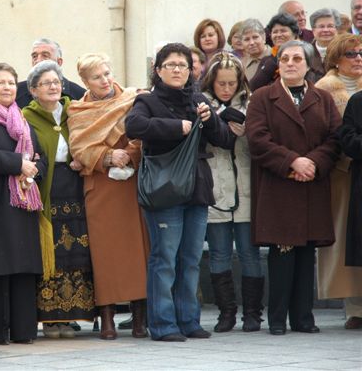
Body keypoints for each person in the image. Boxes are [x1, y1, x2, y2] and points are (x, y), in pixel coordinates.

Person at [125, 43, 232, 342]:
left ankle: (188, 321)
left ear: (191, 70)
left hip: (197, 187)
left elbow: (225, 139)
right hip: (165, 189)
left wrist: (211, 120)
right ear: (158, 71)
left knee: (191, 258)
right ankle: (162, 325)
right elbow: (133, 126)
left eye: (182, 65)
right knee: (164, 259)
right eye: (170, 65)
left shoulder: (199, 99)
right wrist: (176, 127)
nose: (177, 70)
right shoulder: (147, 100)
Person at [246, 40, 341, 335]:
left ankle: (303, 318)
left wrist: (312, 162)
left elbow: (335, 138)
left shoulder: (323, 98)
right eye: (284, 58)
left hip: (311, 184)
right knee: (282, 253)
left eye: (297, 58)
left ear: (308, 64)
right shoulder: (262, 97)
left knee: (306, 253)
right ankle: (277, 319)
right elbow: (257, 139)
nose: (290, 63)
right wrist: (292, 162)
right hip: (279, 186)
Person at [67, 53, 149, 340]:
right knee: (104, 256)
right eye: (96, 77)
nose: (104, 80)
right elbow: (78, 148)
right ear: (84, 81)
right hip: (99, 186)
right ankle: (107, 318)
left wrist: (129, 153)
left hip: (130, 185)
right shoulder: (78, 109)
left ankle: (139, 318)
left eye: (106, 73)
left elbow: (142, 132)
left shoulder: (133, 99)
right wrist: (106, 156)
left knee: (137, 251)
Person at [0, 63, 46, 345]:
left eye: (11, 83)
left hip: (24, 201)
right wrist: (19, 164)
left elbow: (39, 156)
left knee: (24, 267)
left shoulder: (22, 120)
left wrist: (33, 169)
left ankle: (24, 330)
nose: (7, 87)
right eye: (0, 83)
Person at [22, 60, 96, 338]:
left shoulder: (74, 111)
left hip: (75, 188)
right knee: (52, 252)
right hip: (47, 189)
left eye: (56, 82)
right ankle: (51, 320)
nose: (53, 87)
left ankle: (71, 316)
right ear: (33, 90)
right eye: (46, 83)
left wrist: (82, 158)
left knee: (76, 251)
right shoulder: (26, 117)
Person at [199, 52, 264, 332]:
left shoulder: (252, 104)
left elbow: (261, 144)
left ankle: (252, 313)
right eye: (221, 83)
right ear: (211, 82)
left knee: (250, 254)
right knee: (219, 253)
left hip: (246, 189)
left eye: (231, 84)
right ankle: (226, 313)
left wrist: (246, 131)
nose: (226, 89)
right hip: (215, 189)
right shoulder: (201, 105)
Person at [315, 34, 362, 330]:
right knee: (348, 244)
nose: (358, 59)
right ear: (335, 58)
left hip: (358, 171)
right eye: (351, 54)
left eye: (360, 53)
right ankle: (355, 308)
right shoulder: (323, 89)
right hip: (340, 174)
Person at [15, 38, 86, 108]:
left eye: (45, 56)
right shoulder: (17, 92)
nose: (38, 60)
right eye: (34, 56)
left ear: (59, 62)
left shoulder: (79, 95)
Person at [250, 13, 300, 91]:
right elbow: (253, 87)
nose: (278, 35)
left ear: (295, 34)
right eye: (275, 32)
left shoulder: (303, 56)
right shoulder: (267, 60)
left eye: (283, 31)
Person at [309, 8, 341, 81]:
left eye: (330, 26)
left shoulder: (345, 51)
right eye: (321, 26)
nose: (326, 30)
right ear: (313, 31)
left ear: (336, 29)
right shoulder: (305, 52)